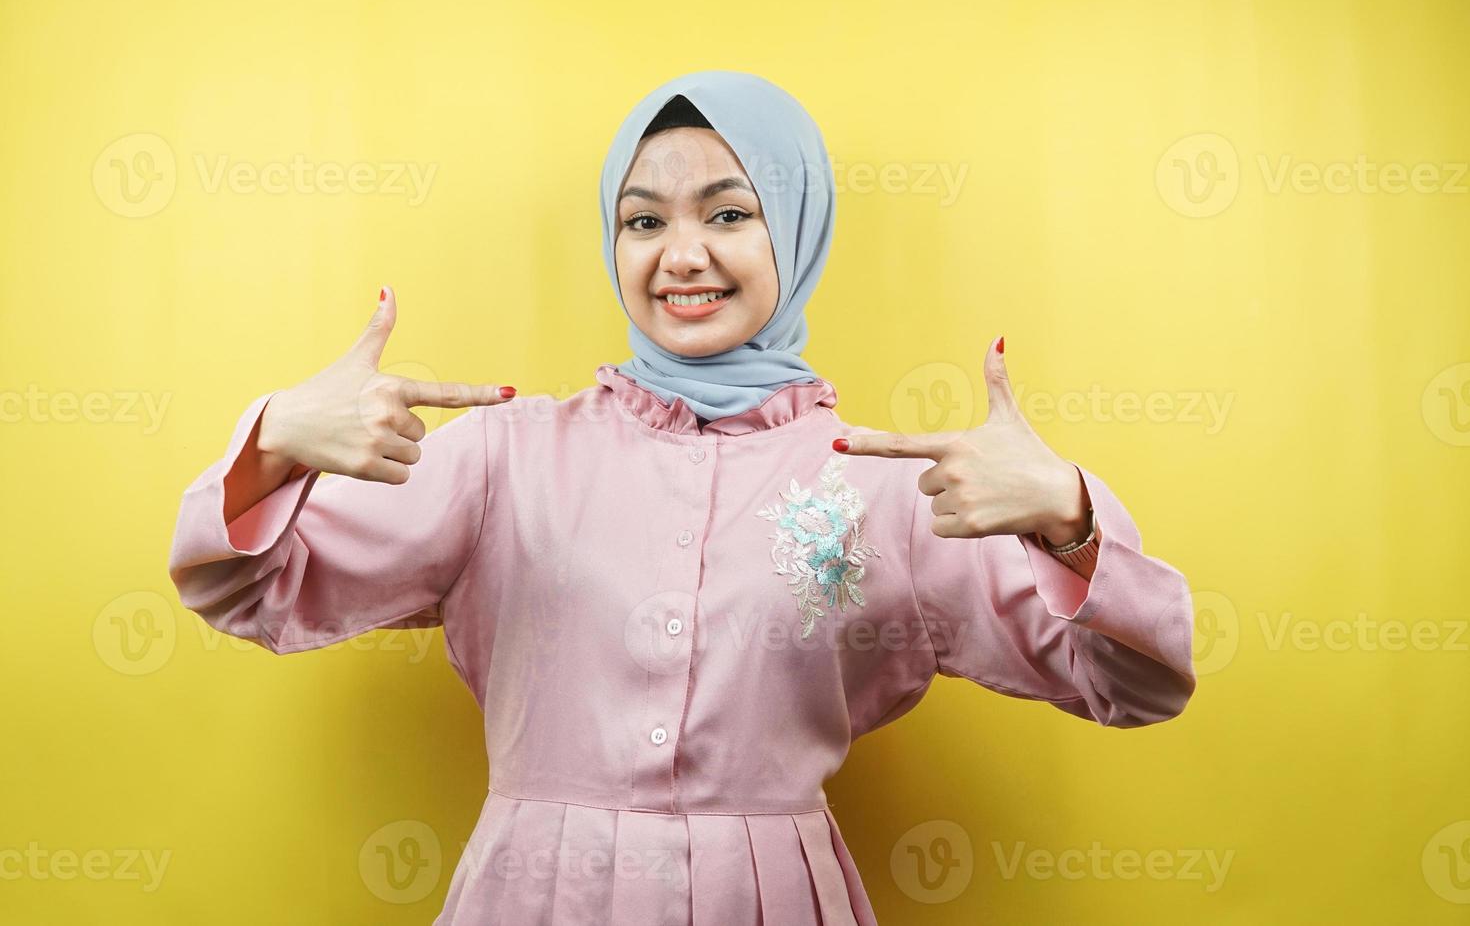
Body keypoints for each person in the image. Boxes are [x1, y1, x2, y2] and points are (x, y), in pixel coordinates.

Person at [168, 70, 1196, 925]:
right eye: (643, 218)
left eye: (731, 212)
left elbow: (1138, 684)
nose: (683, 253)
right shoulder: (504, 459)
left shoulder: (891, 485)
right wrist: (276, 447)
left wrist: (1070, 517)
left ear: (797, 229)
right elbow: (245, 592)